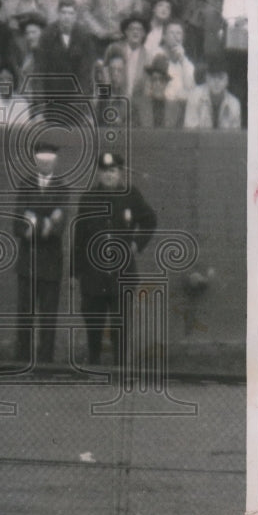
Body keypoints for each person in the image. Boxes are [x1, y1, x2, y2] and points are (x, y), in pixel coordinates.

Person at [72, 151, 157, 367]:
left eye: (113, 171)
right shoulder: (88, 199)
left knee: (121, 322)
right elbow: (79, 237)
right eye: (104, 171)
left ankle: (120, 366)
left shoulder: (131, 195)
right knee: (94, 322)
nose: (108, 175)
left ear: (120, 173)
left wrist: (136, 243)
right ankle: (94, 362)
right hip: (93, 274)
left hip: (122, 273)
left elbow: (150, 220)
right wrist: (75, 272)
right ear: (98, 174)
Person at [13, 140, 67, 366]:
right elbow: (18, 225)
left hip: (51, 263)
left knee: (48, 316)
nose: (45, 164)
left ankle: (45, 362)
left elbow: (58, 228)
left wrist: (34, 219)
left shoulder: (62, 187)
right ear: (36, 161)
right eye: (41, 160)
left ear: (55, 161)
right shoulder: (25, 184)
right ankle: (22, 361)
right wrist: (46, 220)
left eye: (49, 160)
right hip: (28, 262)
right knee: (25, 314)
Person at [183, 55, 242, 129]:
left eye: (221, 77)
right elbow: (190, 132)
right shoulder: (194, 96)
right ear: (206, 78)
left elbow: (234, 137)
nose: (216, 82)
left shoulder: (234, 104)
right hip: (198, 140)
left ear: (227, 81)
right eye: (213, 77)